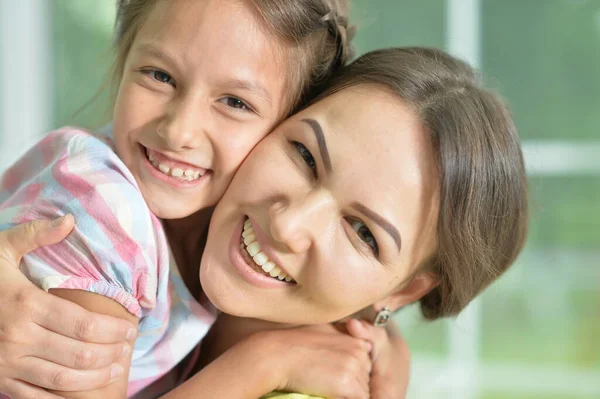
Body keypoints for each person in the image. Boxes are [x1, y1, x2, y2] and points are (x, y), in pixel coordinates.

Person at [2, 45, 528, 398]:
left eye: (363, 233)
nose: (289, 224)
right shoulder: (123, 211)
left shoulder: (320, 379)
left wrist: (261, 365)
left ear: (407, 288)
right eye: (304, 155)